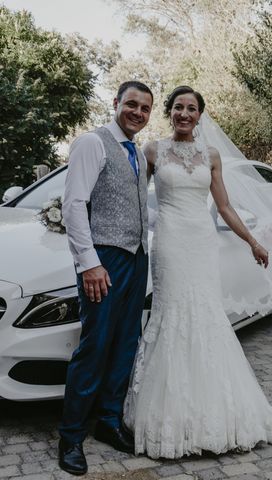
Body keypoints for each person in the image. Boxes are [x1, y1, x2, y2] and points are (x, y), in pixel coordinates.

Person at [123, 86, 272, 459]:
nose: (184, 113)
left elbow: (225, 206)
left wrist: (253, 241)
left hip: (201, 244)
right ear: (169, 112)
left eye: (191, 108)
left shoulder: (211, 155)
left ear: (200, 115)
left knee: (205, 315)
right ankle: (168, 417)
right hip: (168, 242)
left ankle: (218, 412)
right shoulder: (153, 151)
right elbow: (132, 197)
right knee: (171, 316)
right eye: (178, 107)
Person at [59, 81, 154, 475]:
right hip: (105, 258)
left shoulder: (141, 154)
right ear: (115, 103)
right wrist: (89, 262)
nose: (137, 112)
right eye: (131, 104)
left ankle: (109, 421)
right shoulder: (91, 143)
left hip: (137, 257)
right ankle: (71, 436)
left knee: (126, 342)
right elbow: (74, 203)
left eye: (145, 108)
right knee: (95, 345)